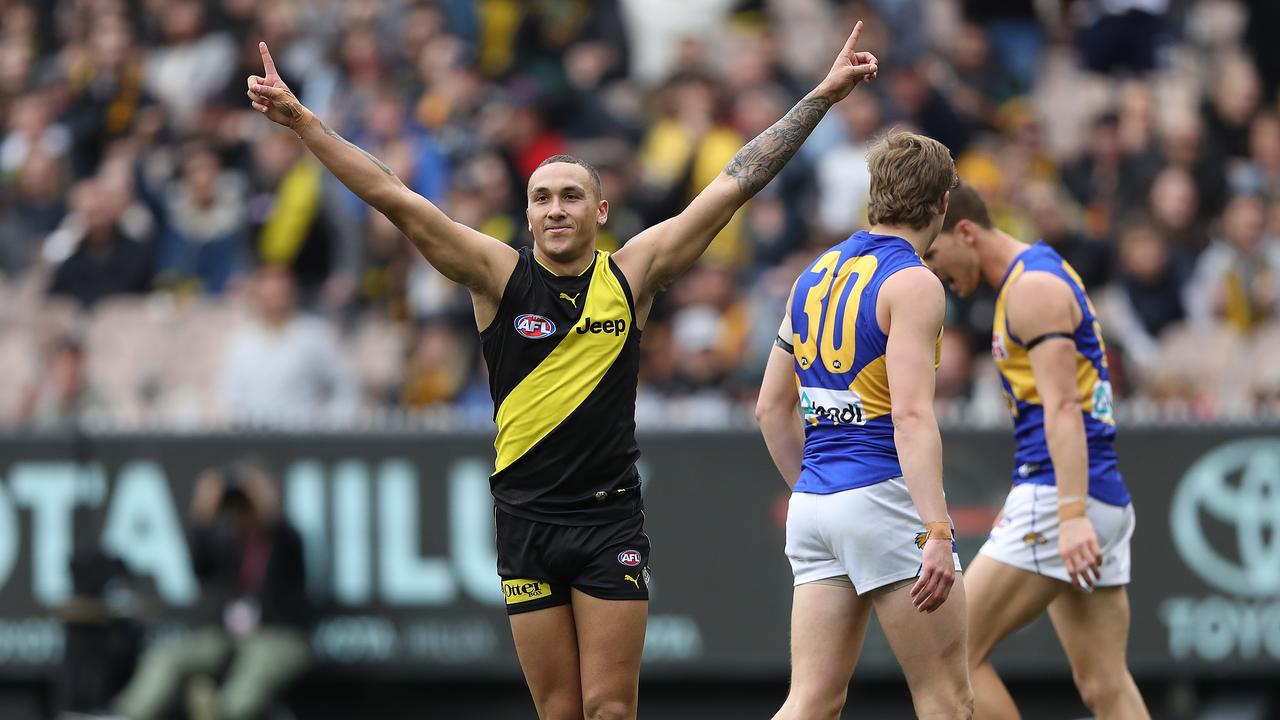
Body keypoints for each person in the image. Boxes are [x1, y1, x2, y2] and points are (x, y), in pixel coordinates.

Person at [246, 22, 879, 720]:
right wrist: (303, 121)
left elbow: (735, 183)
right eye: (542, 197)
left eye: (571, 196)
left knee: (609, 710)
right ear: (526, 214)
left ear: (600, 211)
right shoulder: (496, 275)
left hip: (609, 522)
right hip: (525, 522)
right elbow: (394, 196)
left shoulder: (632, 273)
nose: (555, 208)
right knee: (559, 712)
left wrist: (821, 96)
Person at [755, 131, 971, 720]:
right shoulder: (913, 282)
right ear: (942, 204)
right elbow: (910, 414)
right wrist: (937, 530)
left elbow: (772, 408)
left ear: (873, 193)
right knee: (947, 700)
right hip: (882, 496)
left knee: (811, 701)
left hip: (815, 505)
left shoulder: (812, 274)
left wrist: (817, 485)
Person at [924, 183, 1150, 719]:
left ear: (967, 233)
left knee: (948, 653)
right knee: (1104, 684)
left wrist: (1068, 514)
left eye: (933, 253)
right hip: (1081, 492)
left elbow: (1064, 408)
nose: (932, 272)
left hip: (1065, 497)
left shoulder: (1032, 289)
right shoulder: (1032, 278)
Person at [111, 460, 312, 720]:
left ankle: (221, 714)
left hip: (278, 634)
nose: (242, 505)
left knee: (255, 667)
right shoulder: (228, 539)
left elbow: (276, 526)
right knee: (166, 656)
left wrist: (261, 498)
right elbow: (200, 568)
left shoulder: (286, 537)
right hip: (227, 636)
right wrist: (204, 511)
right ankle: (125, 714)